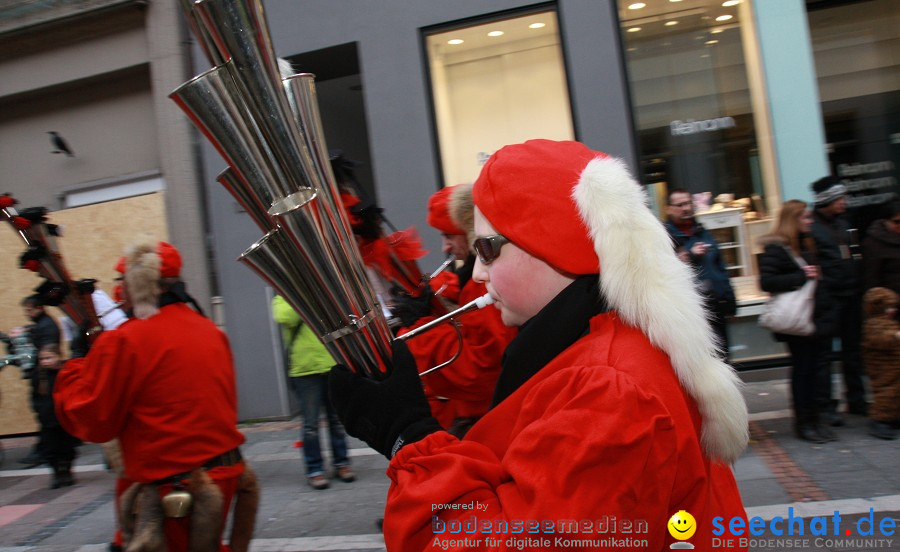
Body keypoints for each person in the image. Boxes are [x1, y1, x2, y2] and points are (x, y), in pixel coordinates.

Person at [330, 140, 749, 551]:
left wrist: (411, 440)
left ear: (551, 241)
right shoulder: (602, 350)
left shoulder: (610, 391)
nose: (477, 271)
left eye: (488, 248)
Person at [53, 240, 259, 552]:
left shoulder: (125, 340)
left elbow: (93, 419)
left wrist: (78, 364)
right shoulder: (209, 330)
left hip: (174, 487)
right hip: (225, 474)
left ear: (136, 284)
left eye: (121, 283)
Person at [395, 184, 517, 436]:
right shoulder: (470, 282)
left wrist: (422, 327)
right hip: (477, 415)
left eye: (448, 236)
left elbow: (481, 372)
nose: (445, 248)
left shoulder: (483, 286)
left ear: (468, 231)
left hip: (489, 420)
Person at [757, 200, 835, 443]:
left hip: (815, 316)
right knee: (803, 370)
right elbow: (767, 282)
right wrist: (800, 276)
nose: (810, 222)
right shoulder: (777, 248)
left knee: (814, 370)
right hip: (796, 321)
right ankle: (804, 423)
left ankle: (814, 419)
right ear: (793, 220)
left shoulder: (806, 243)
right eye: (805, 218)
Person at [272, 294, 355, 490]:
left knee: (336, 420)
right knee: (311, 425)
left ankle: (341, 463)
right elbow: (285, 317)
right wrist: (303, 297)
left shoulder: (319, 293)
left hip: (330, 363)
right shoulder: (282, 297)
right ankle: (314, 469)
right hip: (304, 369)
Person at [809, 176, 867, 424]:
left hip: (850, 297)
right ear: (828, 200)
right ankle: (826, 407)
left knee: (852, 352)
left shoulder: (843, 223)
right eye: (840, 198)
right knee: (824, 356)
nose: (844, 202)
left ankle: (857, 399)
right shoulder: (811, 227)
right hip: (829, 299)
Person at [664, 189, 737, 359]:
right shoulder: (665, 238)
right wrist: (690, 256)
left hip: (716, 306)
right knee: (703, 360)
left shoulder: (704, 233)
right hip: (691, 312)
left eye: (688, 203)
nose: (686, 208)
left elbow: (720, 269)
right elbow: (664, 272)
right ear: (669, 208)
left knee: (723, 358)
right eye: (680, 205)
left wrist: (730, 301)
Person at [19, 295, 62, 468]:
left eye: (29, 310)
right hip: (43, 376)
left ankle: (44, 451)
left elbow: (46, 351)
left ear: (39, 308)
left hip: (44, 378)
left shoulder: (45, 326)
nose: (27, 314)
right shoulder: (43, 325)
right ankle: (44, 450)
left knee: (46, 415)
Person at [32, 343, 80, 488]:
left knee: (66, 446)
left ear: (58, 357)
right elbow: (34, 396)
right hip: (47, 418)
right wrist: (39, 410)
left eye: (49, 358)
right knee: (51, 448)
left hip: (64, 417)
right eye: (42, 359)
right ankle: (56, 473)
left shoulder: (64, 372)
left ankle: (67, 471)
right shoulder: (39, 376)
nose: (45, 361)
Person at [860, 287, 900, 440]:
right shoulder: (874, 324)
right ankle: (880, 420)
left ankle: (892, 417)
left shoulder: (888, 322)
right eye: (889, 307)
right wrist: (895, 336)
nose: (892, 310)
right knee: (885, 394)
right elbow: (880, 339)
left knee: (895, 394)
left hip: (893, 367)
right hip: (882, 369)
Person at [861, 201, 900, 294]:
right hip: (891, 301)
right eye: (897, 222)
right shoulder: (872, 244)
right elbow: (871, 279)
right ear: (885, 221)